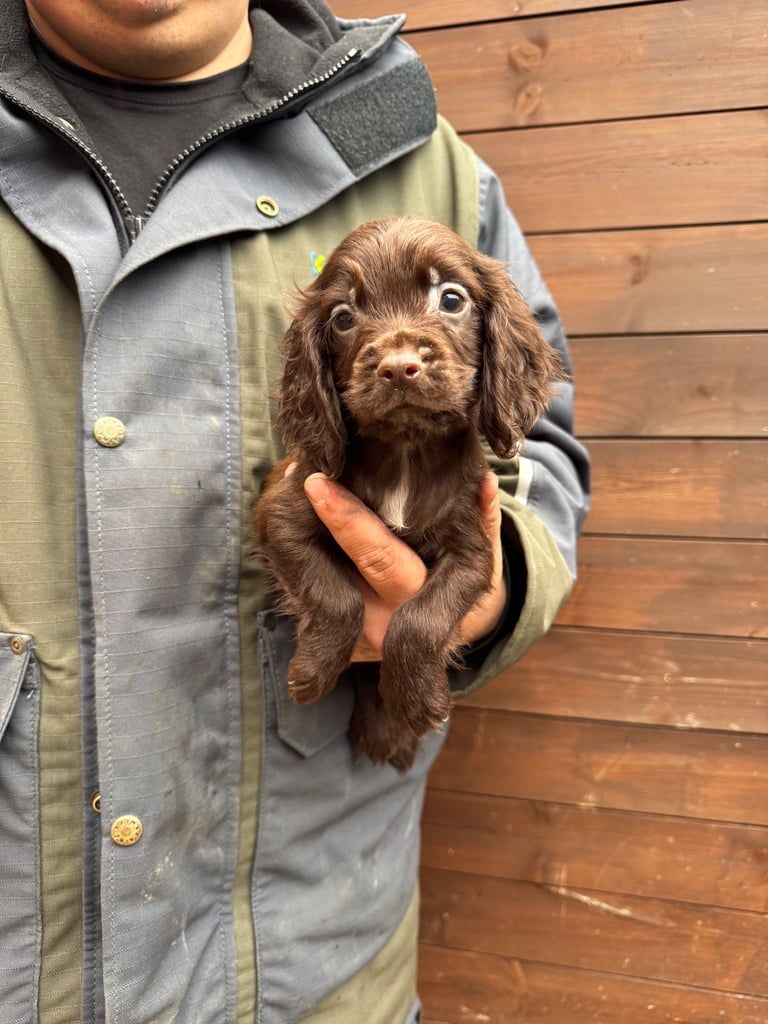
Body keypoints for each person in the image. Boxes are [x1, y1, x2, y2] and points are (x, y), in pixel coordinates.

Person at [0, 1, 590, 1021]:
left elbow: (535, 440)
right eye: (360, 318)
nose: (403, 345)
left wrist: (484, 589)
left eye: (438, 309)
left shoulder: (408, 148)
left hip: (317, 979)